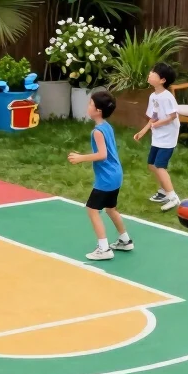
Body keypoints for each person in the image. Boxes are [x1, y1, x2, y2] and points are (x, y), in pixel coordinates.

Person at [68, 89, 133, 261]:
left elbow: (102, 154)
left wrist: (81, 157)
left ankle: (104, 248)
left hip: (106, 178)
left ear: (98, 110)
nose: (88, 106)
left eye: (90, 103)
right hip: (116, 175)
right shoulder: (106, 127)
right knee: (111, 209)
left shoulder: (97, 131)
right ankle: (125, 240)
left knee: (92, 209)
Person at [134, 61, 180, 211]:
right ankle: (163, 191)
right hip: (158, 135)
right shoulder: (153, 96)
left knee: (160, 166)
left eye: (153, 73)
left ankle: (173, 197)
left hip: (168, 136)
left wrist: (158, 124)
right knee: (152, 164)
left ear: (162, 80)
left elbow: (172, 116)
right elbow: (153, 117)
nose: (150, 74)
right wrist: (143, 131)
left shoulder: (167, 97)